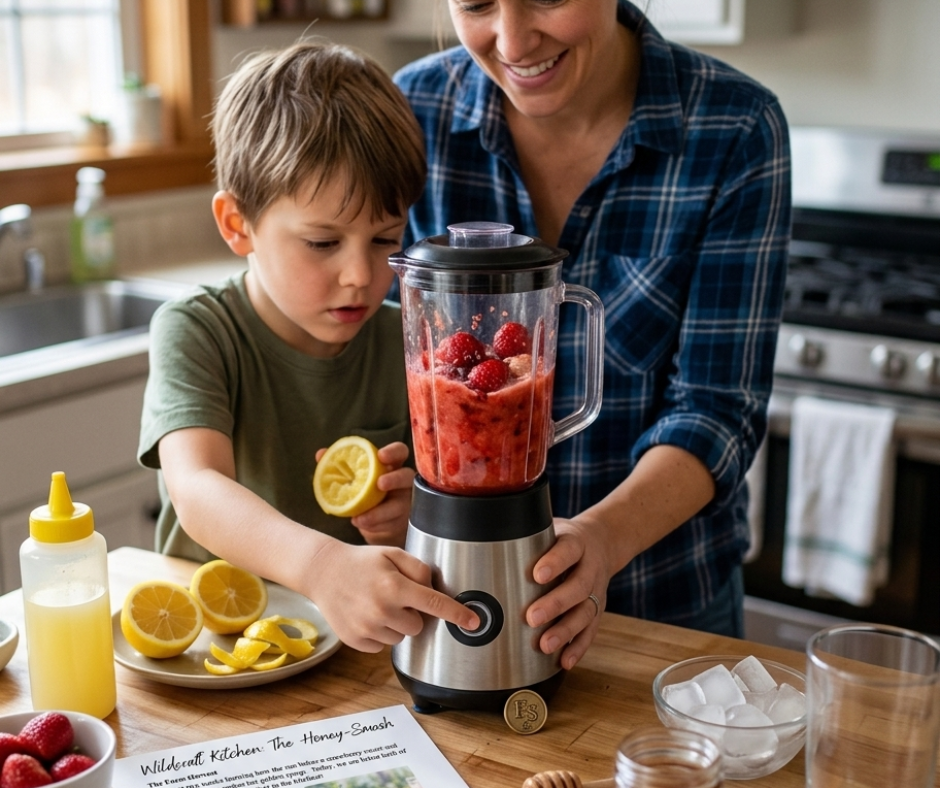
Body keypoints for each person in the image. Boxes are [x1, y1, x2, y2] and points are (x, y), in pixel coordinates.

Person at [394, 0, 791, 668]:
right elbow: (372, 349)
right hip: (449, 589)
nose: (514, 41)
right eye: (476, 4)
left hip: (663, 604)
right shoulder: (411, 112)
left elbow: (717, 409)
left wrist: (603, 541)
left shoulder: (734, 127)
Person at [138, 39, 480, 653]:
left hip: (349, 658)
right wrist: (320, 565)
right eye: (323, 243)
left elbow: (431, 519)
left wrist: (412, 523)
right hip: (212, 650)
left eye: (384, 240)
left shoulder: (409, 341)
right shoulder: (197, 330)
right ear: (237, 225)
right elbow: (198, 491)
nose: (360, 275)